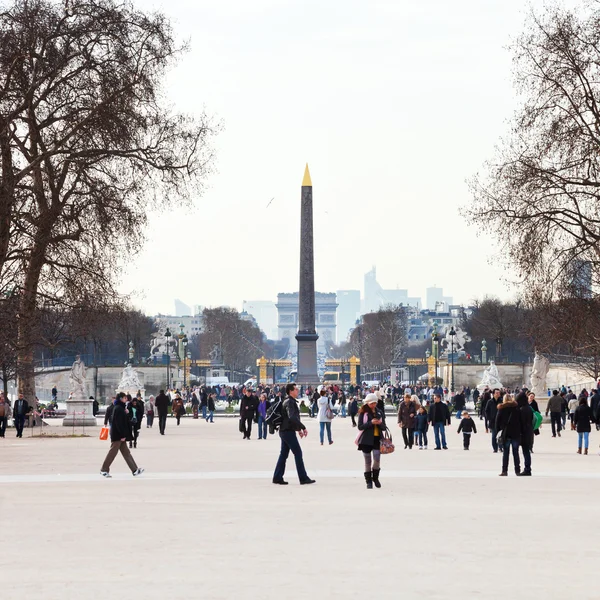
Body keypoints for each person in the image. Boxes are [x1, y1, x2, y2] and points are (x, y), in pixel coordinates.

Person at [272, 383, 315, 485]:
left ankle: (277, 477)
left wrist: (298, 429)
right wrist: (302, 427)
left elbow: (289, 419)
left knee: (283, 455)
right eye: (296, 389)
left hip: (285, 430)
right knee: (298, 453)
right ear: (291, 391)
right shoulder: (290, 402)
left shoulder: (287, 401)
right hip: (287, 432)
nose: (297, 391)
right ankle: (303, 478)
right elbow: (292, 417)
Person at [100, 392, 144, 478]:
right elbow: (119, 424)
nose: (126, 399)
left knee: (126, 453)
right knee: (112, 453)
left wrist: (127, 414)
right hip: (118, 435)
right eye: (124, 398)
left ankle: (135, 470)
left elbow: (123, 421)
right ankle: (104, 469)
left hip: (119, 434)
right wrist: (122, 435)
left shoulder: (120, 408)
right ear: (121, 399)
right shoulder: (119, 409)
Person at [357, 393, 387, 489]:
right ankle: (368, 481)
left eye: (374, 403)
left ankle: (376, 478)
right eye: (371, 403)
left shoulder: (379, 412)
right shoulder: (363, 413)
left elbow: (383, 427)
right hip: (366, 440)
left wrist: (379, 423)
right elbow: (360, 426)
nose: (373, 405)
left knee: (377, 459)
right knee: (367, 461)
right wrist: (370, 423)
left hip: (377, 439)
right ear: (367, 403)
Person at [495, 394, 521, 476]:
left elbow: (497, 421)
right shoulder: (516, 408)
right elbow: (520, 420)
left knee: (505, 453)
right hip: (515, 432)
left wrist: (499, 430)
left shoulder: (501, 409)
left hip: (505, 433)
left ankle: (504, 470)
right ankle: (517, 470)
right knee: (515, 452)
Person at [517, 392, 533, 476]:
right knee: (527, 451)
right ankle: (528, 468)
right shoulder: (529, 408)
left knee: (525, 452)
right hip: (529, 431)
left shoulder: (522, 409)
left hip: (524, 433)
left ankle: (527, 469)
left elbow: (521, 422)